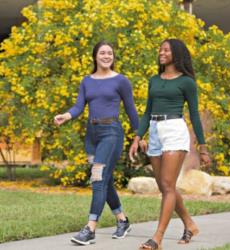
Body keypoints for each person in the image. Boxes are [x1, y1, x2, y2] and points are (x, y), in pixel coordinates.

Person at [129, 38, 211, 250]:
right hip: (155, 131)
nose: (161, 52)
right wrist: (138, 137)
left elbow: (193, 113)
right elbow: (147, 112)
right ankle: (190, 224)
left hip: (174, 130)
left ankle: (157, 238)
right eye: (160, 49)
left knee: (166, 186)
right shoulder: (154, 80)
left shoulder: (187, 82)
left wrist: (202, 148)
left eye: (166, 49)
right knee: (166, 187)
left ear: (177, 53)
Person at [54, 41, 139, 246]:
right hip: (92, 135)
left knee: (98, 177)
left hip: (111, 133)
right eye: (102, 52)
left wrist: (138, 135)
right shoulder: (87, 81)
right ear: (95, 56)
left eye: (110, 53)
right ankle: (122, 220)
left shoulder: (121, 81)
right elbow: (78, 106)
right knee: (104, 180)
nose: (107, 56)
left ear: (113, 57)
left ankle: (90, 228)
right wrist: (66, 115)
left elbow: (131, 110)